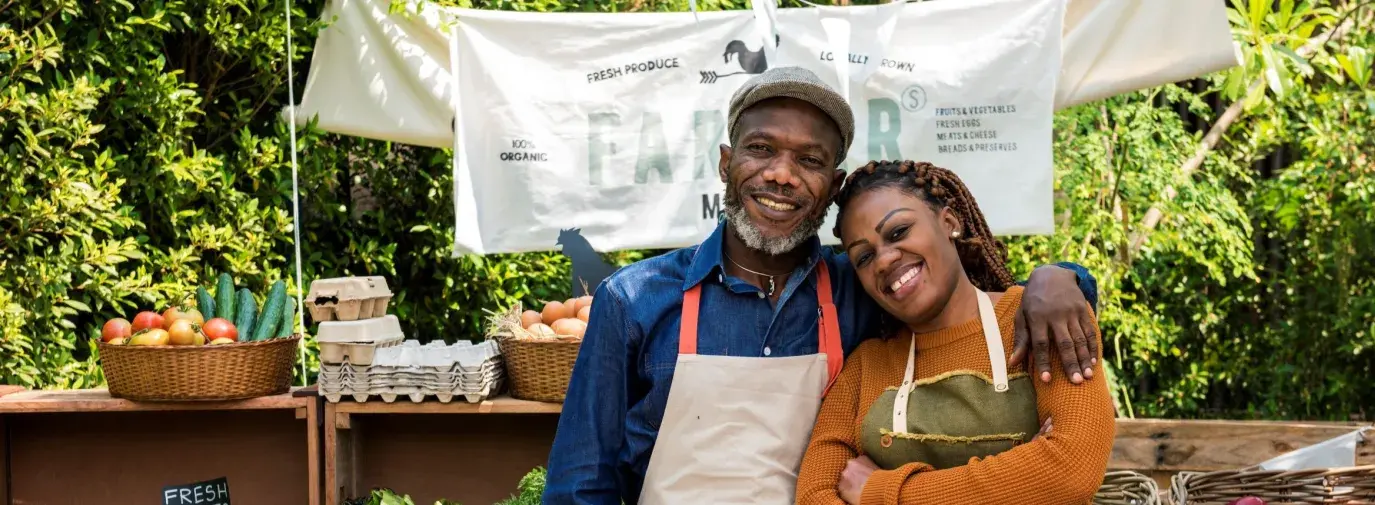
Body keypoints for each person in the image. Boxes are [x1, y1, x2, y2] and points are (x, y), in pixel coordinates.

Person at [542, 67, 1101, 504]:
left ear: (831, 186)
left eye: (808, 160)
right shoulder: (636, 299)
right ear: (725, 162)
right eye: (761, 149)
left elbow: (956, 296)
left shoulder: (859, 285)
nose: (782, 174)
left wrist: (1059, 280)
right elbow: (579, 485)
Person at [796, 160, 1115, 505]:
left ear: (949, 222)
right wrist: (1022, 477)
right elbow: (815, 495)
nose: (884, 260)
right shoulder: (866, 366)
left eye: (899, 232)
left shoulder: (1041, 320)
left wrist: (882, 492)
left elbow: (1069, 471)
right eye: (864, 257)